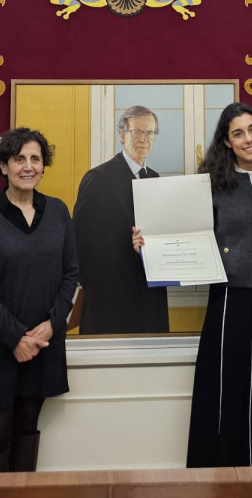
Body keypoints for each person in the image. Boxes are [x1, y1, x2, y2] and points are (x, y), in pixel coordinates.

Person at [134, 101, 252, 467]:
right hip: (227, 295)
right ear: (226, 141)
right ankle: (222, 469)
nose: (248, 138)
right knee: (226, 383)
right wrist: (148, 243)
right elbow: (181, 232)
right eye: (238, 133)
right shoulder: (210, 183)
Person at [0, 127, 79, 473]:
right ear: (3, 166)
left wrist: (51, 326)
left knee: (28, 427)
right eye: (19, 159)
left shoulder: (58, 212)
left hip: (43, 343)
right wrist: (16, 338)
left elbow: (71, 274)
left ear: (43, 165)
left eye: (35, 159)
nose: (28, 166)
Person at [73, 105, 169, 334]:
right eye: (137, 132)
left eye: (150, 132)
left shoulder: (155, 179)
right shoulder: (98, 178)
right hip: (110, 298)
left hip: (151, 295)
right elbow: (79, 243)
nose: (144, 138)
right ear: (122, 134)